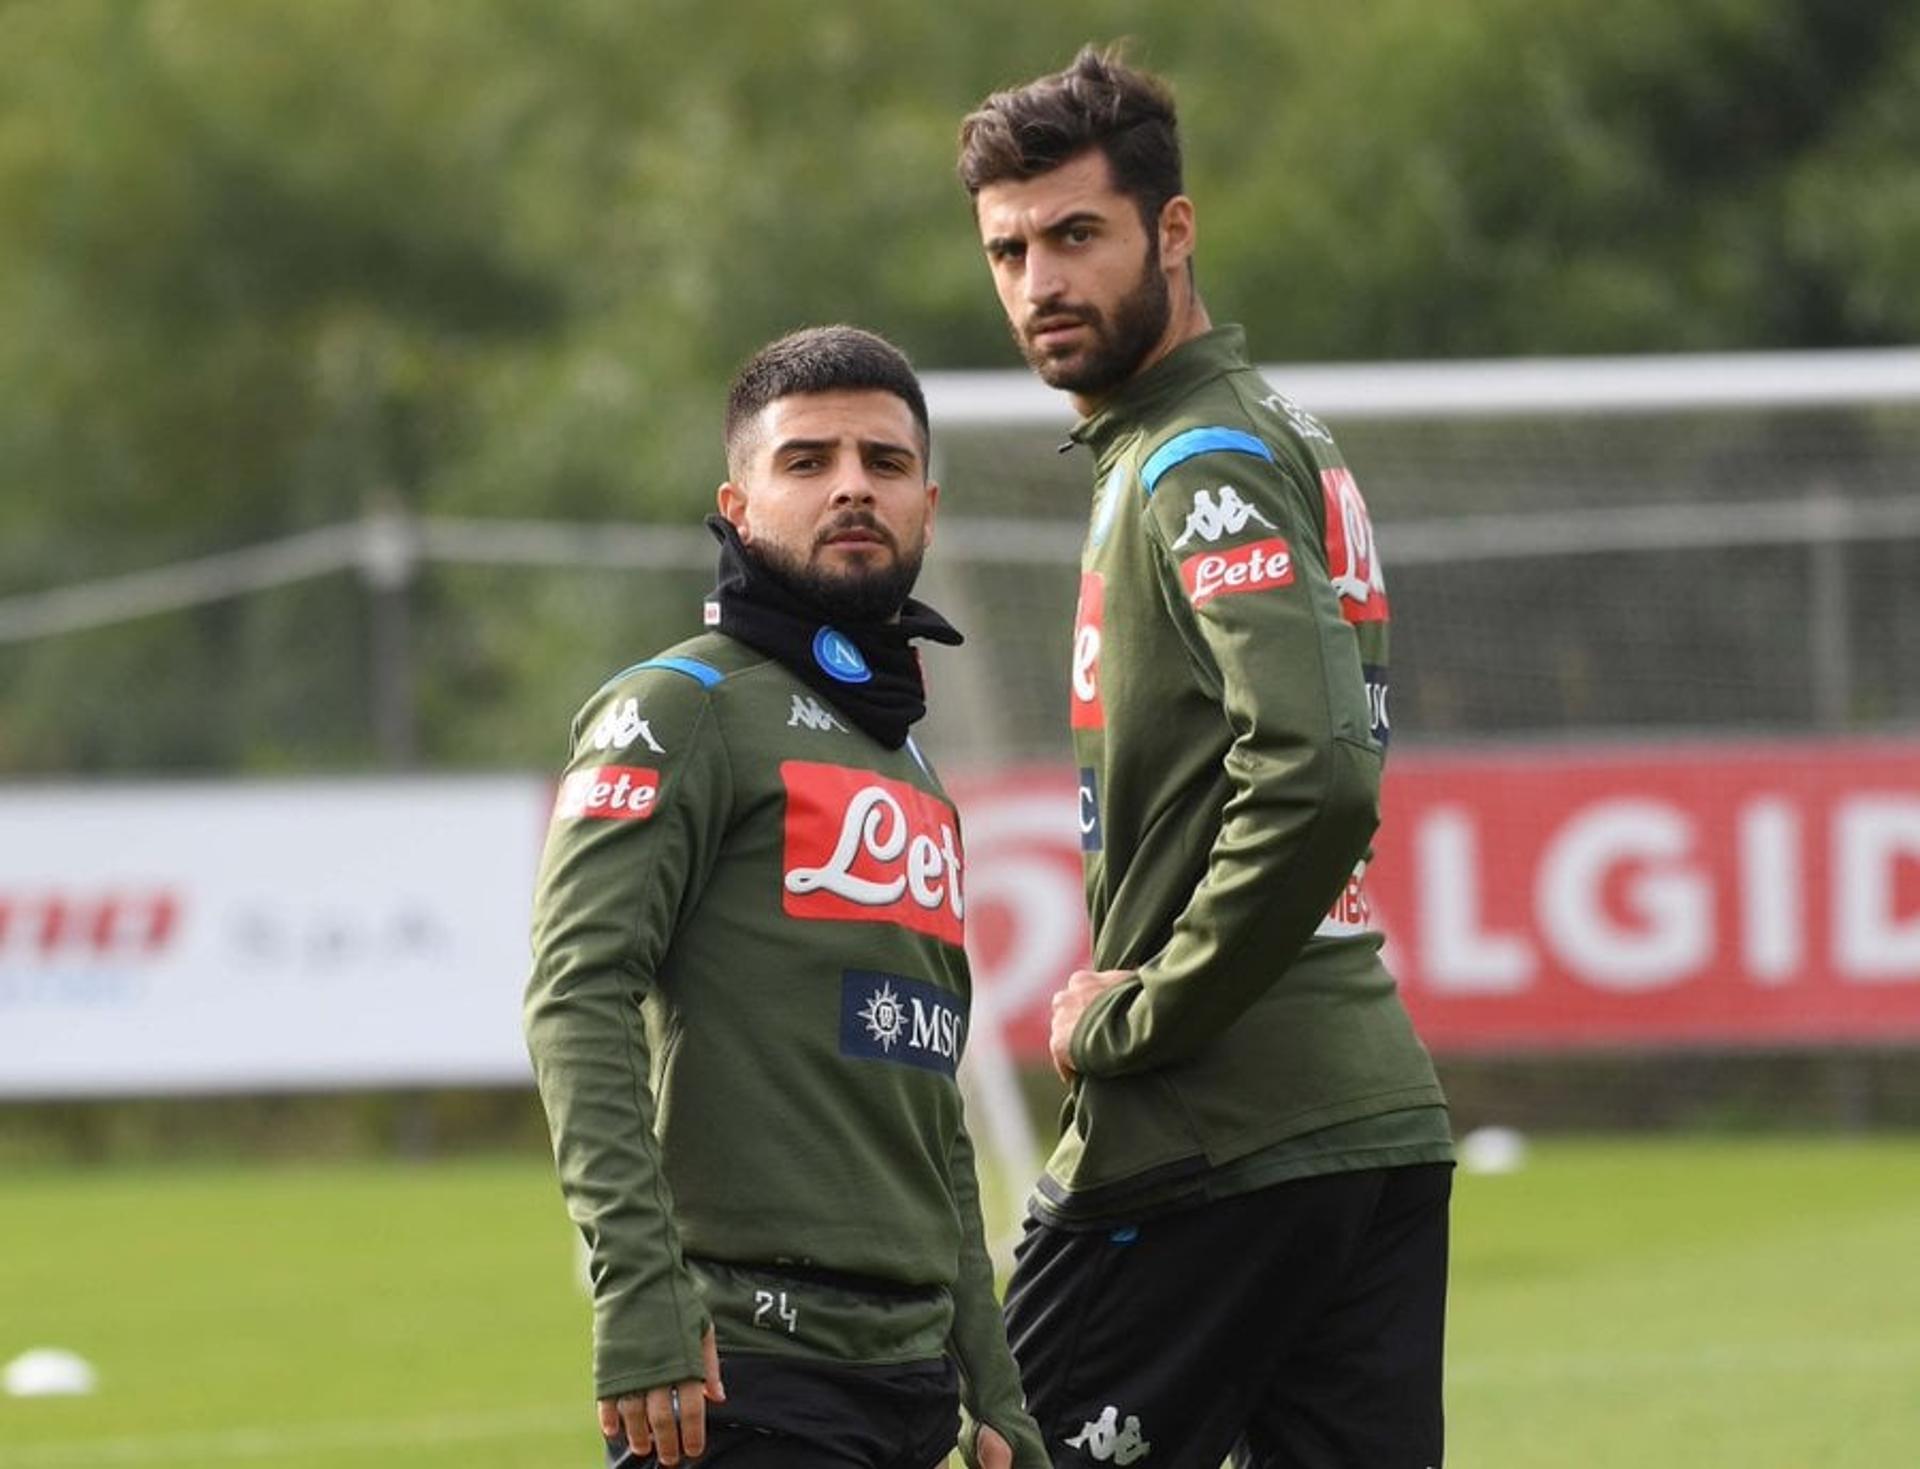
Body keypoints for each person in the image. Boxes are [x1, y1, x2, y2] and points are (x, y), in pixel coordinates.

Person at [956, 46, 1455, 1469]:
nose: (1039, 280)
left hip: (1216, 1124)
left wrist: (1148, 1014)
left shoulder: (1199, 459)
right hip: (1364, 1114)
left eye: (1075, 235)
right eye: (1009, 249)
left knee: (1005, 1446)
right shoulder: (1258, 431)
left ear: (1174, 232)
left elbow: (1315, 767)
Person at [524, 326, 1048, 1469]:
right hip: (742, 1375)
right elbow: (577, 993)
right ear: (739, 502)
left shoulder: (911, 771)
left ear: (928, 504)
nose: (852, 483)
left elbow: (929, 1104)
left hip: (910, 1383)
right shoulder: (678, 706)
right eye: (807, 460)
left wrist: (992, 1379)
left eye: (885, 461)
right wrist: (643, 1291)